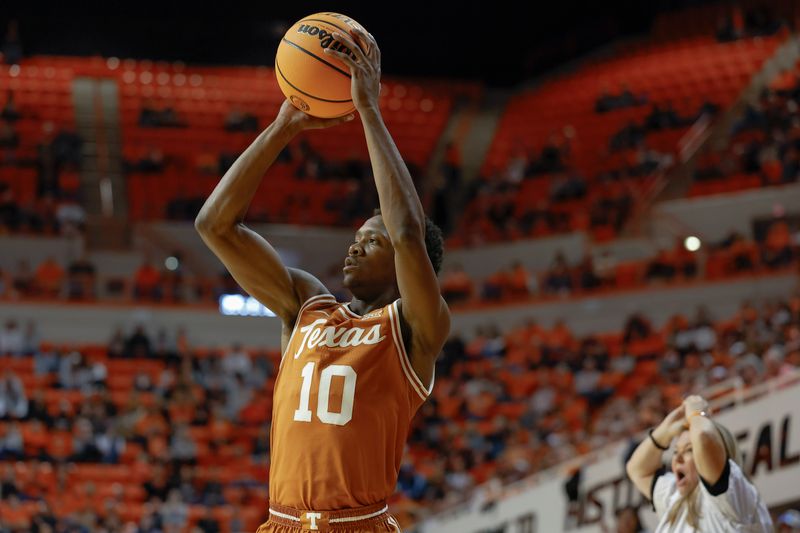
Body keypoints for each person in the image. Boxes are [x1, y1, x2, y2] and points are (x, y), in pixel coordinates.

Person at [195, 25, 449, 533]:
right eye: (357, 235)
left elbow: (405, 231)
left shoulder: (415, 329)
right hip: (280, 524)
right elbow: (215, 225)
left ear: (405, 266)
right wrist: (283, 126)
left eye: (370, 241)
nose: (355, 244)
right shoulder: (307, 305)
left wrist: (370, 111)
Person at [626, 395, 773, 532]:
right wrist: (666, 429)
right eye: (676, 451)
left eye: (689, 450)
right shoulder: (674, 497)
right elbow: (637, 469)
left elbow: (704, 436)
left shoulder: (730, 493)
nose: (678, 459)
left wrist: (697, 413)